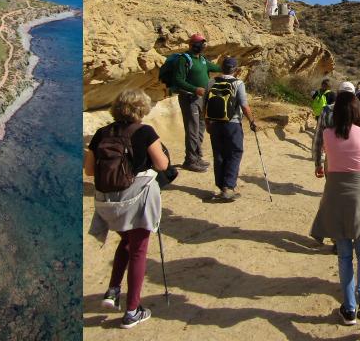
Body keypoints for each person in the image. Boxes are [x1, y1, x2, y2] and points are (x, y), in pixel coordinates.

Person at [86, 89, 170, 329]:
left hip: (107, 203)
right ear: (141, 109)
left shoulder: (102, 133)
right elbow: (162, 164)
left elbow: (90, 171)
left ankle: (113, 292)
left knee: (125, 242)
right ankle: (132, 311)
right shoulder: (144, 132)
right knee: (138, 251)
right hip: (136, 202)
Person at [310, 91, 360, 331]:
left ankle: (349, 307)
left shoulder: (329, 134)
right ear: (357, 111)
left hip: (336, 194)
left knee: (343, 254)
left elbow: (329, 165)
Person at [205, 57, 258, 201]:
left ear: (221, 68)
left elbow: (206, 104)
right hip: (232, 123)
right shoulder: (238, 83)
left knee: (219, 154)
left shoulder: (211, 82)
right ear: (235, 70)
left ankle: (221, 186)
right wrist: (252, 121)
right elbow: (244, 105)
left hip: (215, 124)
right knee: (235, 153)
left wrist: (207, 124)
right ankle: (228, 187)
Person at [170, 33, 221, 172]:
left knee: (201, 127)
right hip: (189, 98)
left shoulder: (202, 59)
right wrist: (194, 89)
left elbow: (214, 68)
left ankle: (197, 156)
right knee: (192, 129)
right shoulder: (184, 59)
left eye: (202, 44)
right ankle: (190, 160)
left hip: (202, 99)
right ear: (191, 45)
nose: (201, 46)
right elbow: (178, 80)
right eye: (198, 44)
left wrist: (228, 66)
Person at [313, 81, 355, 177]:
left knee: (332, 186)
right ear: (354, 96)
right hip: (353, 158)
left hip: (331, 157)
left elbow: (318, 139)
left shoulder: (327, 110)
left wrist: (318, 163)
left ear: (338, 93)